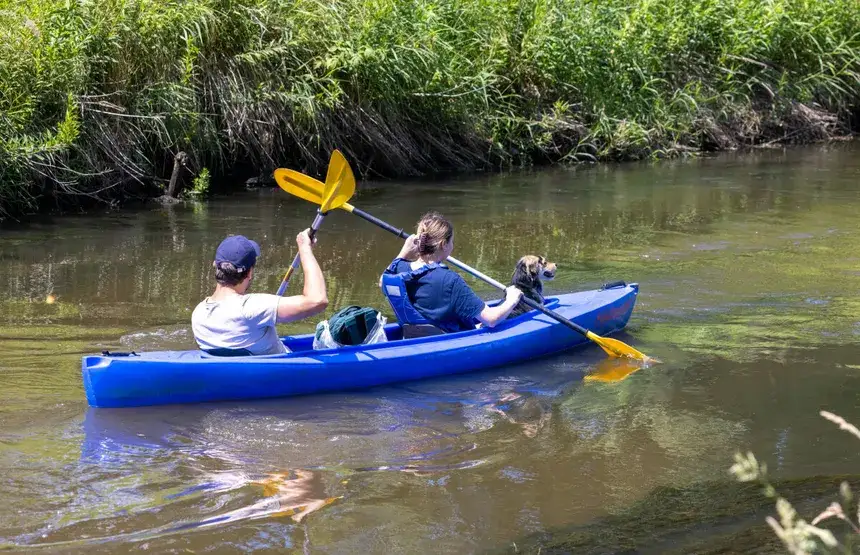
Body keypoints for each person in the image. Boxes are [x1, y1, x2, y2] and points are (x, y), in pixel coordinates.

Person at [380, 211, 522, 335]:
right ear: (444, 244)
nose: (453, 246)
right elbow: (491, 319)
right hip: (445, 339)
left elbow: (383, 281)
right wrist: (512, 299)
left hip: (414, 337)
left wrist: (404, 252)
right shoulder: (450, 280)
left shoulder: (400, 269)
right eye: (452, 241)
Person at [192, 231, 328, 355]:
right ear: (250, 272)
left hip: (234, 373)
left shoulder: (198, 314)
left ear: (215, 265)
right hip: (282, 374)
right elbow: (318, 300)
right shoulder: (253, 308)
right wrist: (305, 249)